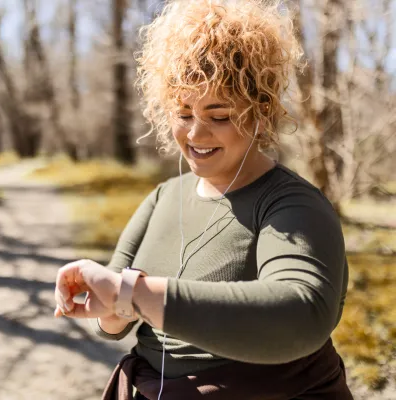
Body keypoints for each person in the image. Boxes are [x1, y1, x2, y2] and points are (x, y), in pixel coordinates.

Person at [54, 0, 354, 399]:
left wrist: (134, 295)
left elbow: (300, 315)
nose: (195, 134)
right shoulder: (164, 197)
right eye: (182, 113)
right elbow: (116, 317)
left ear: (260, 111)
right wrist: (107, 306)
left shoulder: (293, 206)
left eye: (219, 115)